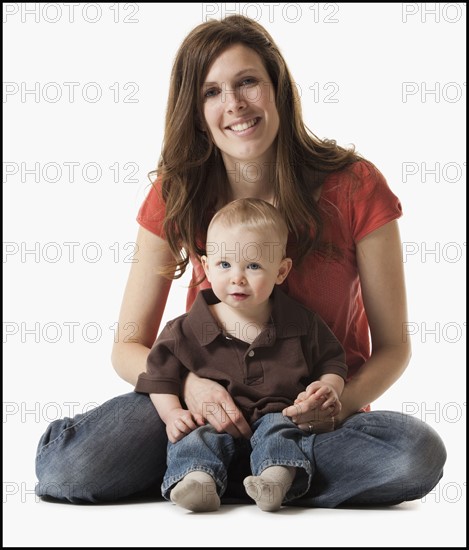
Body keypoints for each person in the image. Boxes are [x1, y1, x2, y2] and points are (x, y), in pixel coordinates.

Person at [35, 14, 446, 506]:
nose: (234, 105)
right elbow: (128, 346)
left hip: (308, 423)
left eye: (247, 81)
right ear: (196, 110)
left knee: (414, 454)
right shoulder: (177, 191)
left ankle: (236, 469)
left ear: (277, 88)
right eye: (212, 92)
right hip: (204, 409)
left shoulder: (355, 186)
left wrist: (337, 407)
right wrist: (189, 388)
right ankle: (242, 469)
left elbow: (394, 347)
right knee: (69, 468)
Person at [138, 198, 348, 512]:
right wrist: (173, 415)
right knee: (195, 438)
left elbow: (333, 361)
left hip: (276, 415)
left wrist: (329, 388)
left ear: (281, 271)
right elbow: (160, 377)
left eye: (252, 266)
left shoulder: (301, 323)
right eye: (225, 265)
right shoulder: (185, 329)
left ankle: (274, 480)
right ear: (207, 266)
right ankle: (198, 481)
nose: (237, 277)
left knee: (281, 431)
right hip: (211, 421)